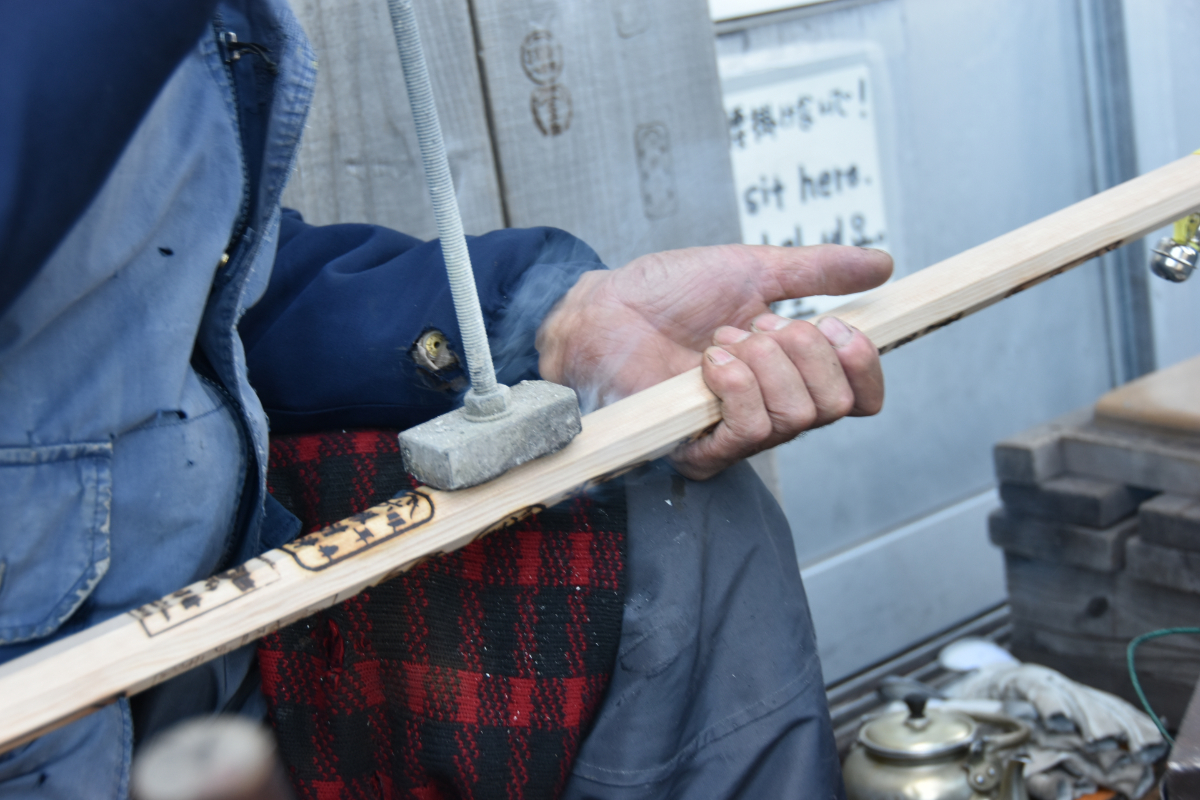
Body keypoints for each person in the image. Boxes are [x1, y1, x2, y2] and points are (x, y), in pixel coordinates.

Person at [0, 1, 890, 798]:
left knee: (664, 506)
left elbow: (188, 288)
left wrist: (547, 319)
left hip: (215, 655)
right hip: (50, 718)